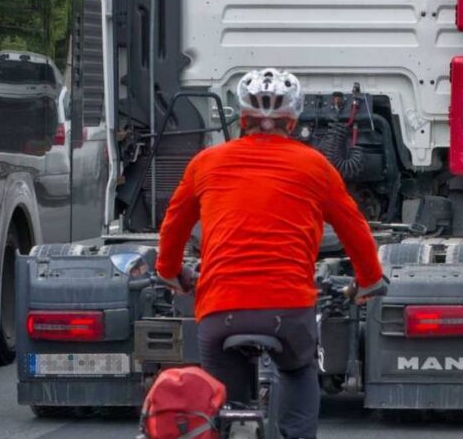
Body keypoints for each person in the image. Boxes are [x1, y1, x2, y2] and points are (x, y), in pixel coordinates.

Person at [155, 68, 386, 439]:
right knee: (298, 370)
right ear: (292, 121)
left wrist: (169, 272)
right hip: (288, 310)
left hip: (220, 308)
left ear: (241, 119)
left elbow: (174, 226)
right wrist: (369, 281)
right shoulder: (317, 167)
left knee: (220, 397)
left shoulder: (205, 163)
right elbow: (355, 231)